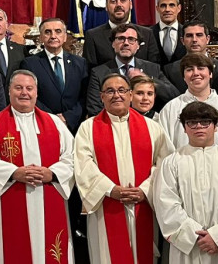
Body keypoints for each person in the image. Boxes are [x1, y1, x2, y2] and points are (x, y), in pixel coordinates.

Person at [0, 70, 75, 264]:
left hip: (48, 196)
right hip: (9, 197)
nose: (24, 93)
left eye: (29, 88)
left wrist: (51, 173)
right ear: (9, 91)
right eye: (18, 88)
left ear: (37, 92)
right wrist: (13, 172)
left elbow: (71, 156)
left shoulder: (55, 123)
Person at [74, 73, 173, 264]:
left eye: (121, 90)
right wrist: (111, 190)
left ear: (130, 95)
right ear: (101, 97)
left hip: (143, 205)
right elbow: (83, 165)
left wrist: (144, 190)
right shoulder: (88, 128)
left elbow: (165, 164)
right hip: (105, 206)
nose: (116, 95)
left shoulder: (152, 127)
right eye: (109, 91)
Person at [153, 102, 218, 263]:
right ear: (184, 128)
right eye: (192, 122)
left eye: (205, 122)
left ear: (216, 126)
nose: (198, 127)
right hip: (190, 249)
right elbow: (166, 204)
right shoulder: (172, 162)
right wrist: (197, 236)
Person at [157, 54, 218, 154]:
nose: (196, 73)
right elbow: (164, 149)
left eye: (201, 68)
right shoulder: (170, 109)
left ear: (210, 74)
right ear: (184, 77)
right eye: (189, 70)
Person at [85, 24, 177, 117]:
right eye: (121, 38)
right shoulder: (98, 72)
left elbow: (173, 96)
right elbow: (94, 108)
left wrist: (146, 78)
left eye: (131, 39)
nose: (126, 43)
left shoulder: (152, 68)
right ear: (113, 44)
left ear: (138, 45)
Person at [20, 18, 88, 133]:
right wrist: (53, 119)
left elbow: (85, 96)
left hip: (74, 127)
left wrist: (68, 118)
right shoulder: (30, 63)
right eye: (47, 32)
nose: (53, 36)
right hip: (43, 125)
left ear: (65, 36)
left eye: (58, 31)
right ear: (41, 37)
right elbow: (30, 96)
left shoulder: (80, 63)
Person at [82, 0, 161, 67]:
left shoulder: (147, 34)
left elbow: (154, 69)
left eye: (123, 0)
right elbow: (90, 70)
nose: (118, 5)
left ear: (130, 4)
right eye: (113, 1)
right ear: (106, 6)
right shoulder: (93, 36)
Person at [162, 21, 218, 93]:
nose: (194, 40)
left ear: (207, 39)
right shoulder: (170, 70)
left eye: (199, 35)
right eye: (189, 36)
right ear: (182, 41)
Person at [150, 0, 186, 65]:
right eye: (163, 6)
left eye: (172, 5)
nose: (167, 9)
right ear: (157, 8)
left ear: (179, 8)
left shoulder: (187, 32)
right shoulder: (148, 33)